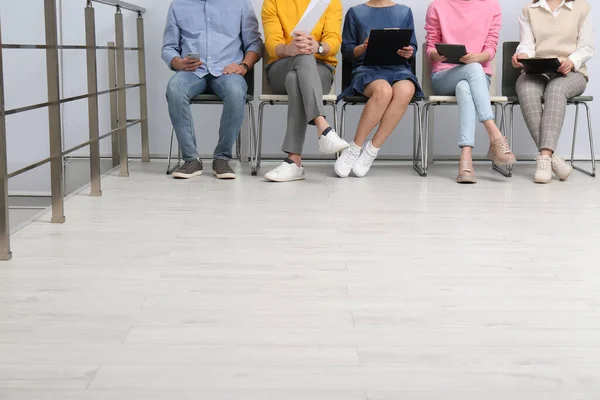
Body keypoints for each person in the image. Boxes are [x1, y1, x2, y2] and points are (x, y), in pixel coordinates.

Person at [162, 0, 263, 180]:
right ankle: (191, 159)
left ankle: (222, 158)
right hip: (192, 72)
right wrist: (179, 62)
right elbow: (169, 47)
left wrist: (243, 66)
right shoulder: (178, 5)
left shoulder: (240, 4)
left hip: (228, 71)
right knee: (175, 89)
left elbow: (255, 44)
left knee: (235, 91)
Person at [425, 0, 516, 184]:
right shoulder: (437, 6)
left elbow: (491, 47)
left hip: (478, 78)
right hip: (444, 76)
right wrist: (435, 54)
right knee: (474, 69)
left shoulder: (491, 6)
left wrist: (477, 57)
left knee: (464, 87)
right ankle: (495, 136)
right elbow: (430, 45)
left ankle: (466, 158)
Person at [261, 0, 348, 182]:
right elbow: (271, 44)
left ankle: (294, 161)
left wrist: (318, 47)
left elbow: (334, 40)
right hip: (280, 68)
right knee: (301, 57)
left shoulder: (330, 1)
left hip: (320, 70)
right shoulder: (272, 2)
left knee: (296, 78)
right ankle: (322, 127)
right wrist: (289, 48)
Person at [335, 0, 423, 178]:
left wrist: (409, 51)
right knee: (384, 91)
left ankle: (372, 150)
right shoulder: (355, 12)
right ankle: (355, 148)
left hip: (398, 68)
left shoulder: (404, 12)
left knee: (406, 90)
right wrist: (364, 47)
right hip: (367, 69)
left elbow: (412, 46)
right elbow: (347, 51)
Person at [513, 0, 594, 184]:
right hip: (538, 69)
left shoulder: (581, 7)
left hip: (572, 72)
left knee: (556, 89)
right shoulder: (529, 10)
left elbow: (586, 47)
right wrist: (522, 57)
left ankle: (544, 157)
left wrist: (572, 61)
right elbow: (527, 45)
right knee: (525, 87)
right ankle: (553, 159)